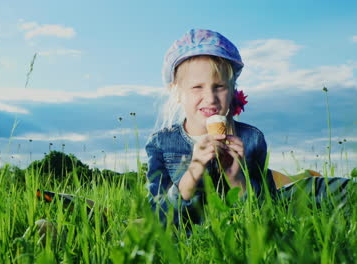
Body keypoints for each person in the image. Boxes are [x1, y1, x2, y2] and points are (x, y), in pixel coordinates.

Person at [145, 29, 352, 228]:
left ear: (232, 89)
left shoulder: (251, 138)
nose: (210, 98)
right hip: (192, 229)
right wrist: (192, 172)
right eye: (197, 87)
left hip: (242, 223)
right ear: (177, 92)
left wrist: (238, 179)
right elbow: (159, 218)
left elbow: (265, 211)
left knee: (329, 189)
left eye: (219, 87)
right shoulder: (161, 144)